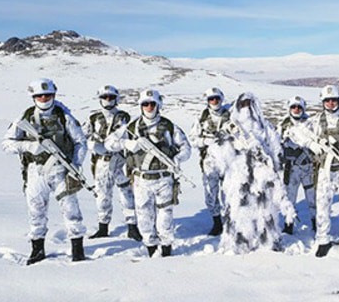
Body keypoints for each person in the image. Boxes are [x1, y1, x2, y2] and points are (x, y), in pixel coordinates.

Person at [2, 78, 87, 264]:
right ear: (33, 97)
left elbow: (80, 142)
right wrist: (29, 147)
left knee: (71, 211)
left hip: (61, 170)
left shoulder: (64, 116)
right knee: (36, 212)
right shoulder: (25, 118)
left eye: (47, 95)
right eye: (39, 96)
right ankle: (37, 250)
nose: (43, 98)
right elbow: (6, 144)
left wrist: (76, 165)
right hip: (35, 171)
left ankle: (77, 250)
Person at [105, 89, 191, 257]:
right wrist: (127, 144)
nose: (149, 107)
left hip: (164, 177)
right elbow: (109, 143)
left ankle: (166, 248)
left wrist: (178, 159)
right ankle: (151, 247)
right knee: (144, 216)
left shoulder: (169, 126)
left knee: (165, 216)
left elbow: (186, 148)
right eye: (145, 104)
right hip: (141, 180)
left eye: (152, 104)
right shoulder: (131, 127)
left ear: (158, 105)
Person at [209, 92, 295, 254]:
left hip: (261, 176)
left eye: (250, 104)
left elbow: (276, 149)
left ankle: (268, 241)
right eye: (243, 104)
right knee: (238, 210)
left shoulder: (264, 127)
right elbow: (220, 153)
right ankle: (239, 242)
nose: (247, 108)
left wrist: (273, 165)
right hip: (238, 175)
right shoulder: (231, 127)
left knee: (265, 210)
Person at [290, 85, 339, 257]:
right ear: (323, 102)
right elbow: (294, 132)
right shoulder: (315, 121)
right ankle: (323, 240)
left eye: (334, 100)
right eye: (327, 101)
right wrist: (311, 144)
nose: (331, 103)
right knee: (323, 207)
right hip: (324, 171)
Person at [83, 85, 142, 241]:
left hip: (120, 161)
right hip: (101, 162)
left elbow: (131, 137)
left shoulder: (124, 117)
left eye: (110, 97)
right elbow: (82, 137)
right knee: (102, 196)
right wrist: (92, 145)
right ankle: (103, 227)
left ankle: (132, 226)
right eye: (104, 97)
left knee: (127, 194)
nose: (108, 100)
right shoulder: (93, 118)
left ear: (116, 99)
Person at [189, 87, 230, 236]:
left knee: (229, 195)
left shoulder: (231, 115)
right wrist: (205, 141)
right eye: (211, 99)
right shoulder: (201, 118)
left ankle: (229, 223)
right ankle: (217, 223)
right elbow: (193, 139)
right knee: (211, 195)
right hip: (209, 162)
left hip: (228, 162)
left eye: (217, 99)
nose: (214, 101)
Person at [277, 96, 316, 234]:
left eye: (299, 107)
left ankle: (316, 224)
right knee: (290, 198)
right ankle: (289, 226)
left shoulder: (310, 123)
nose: (296, 110)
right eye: (293, 107)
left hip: (308, 167)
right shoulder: (283, 125)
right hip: (291, 167)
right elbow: (277, 145)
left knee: (312, 198)